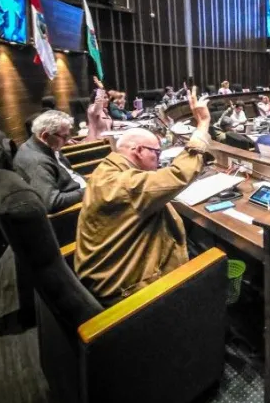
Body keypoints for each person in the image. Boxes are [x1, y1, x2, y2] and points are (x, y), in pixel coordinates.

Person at [74, 88, 213, 303]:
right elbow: (178, 174)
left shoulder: (106, 168)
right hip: (126, 290)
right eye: (156, 153)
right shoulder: (127, 185)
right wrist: (203, 123)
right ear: (138, 150)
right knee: (212, 260)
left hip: (106, 274)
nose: (158, 160)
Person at [13, 110, 86, 213]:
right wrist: (88, 191)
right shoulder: (37, 162)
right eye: (64, 136)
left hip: (79, 188)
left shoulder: (49, 145)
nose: (67, 141)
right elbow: (51, 202)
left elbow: (70, 173)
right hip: (76, 209)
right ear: (45, 135)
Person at [86, 77, 113, 141]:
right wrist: (101, 89)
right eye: (105, 97)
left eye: (107, 97)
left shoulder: (105, 111)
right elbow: (97, 107)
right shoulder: (92, 109)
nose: (107, 100)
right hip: (95, 143)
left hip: (106, 142)